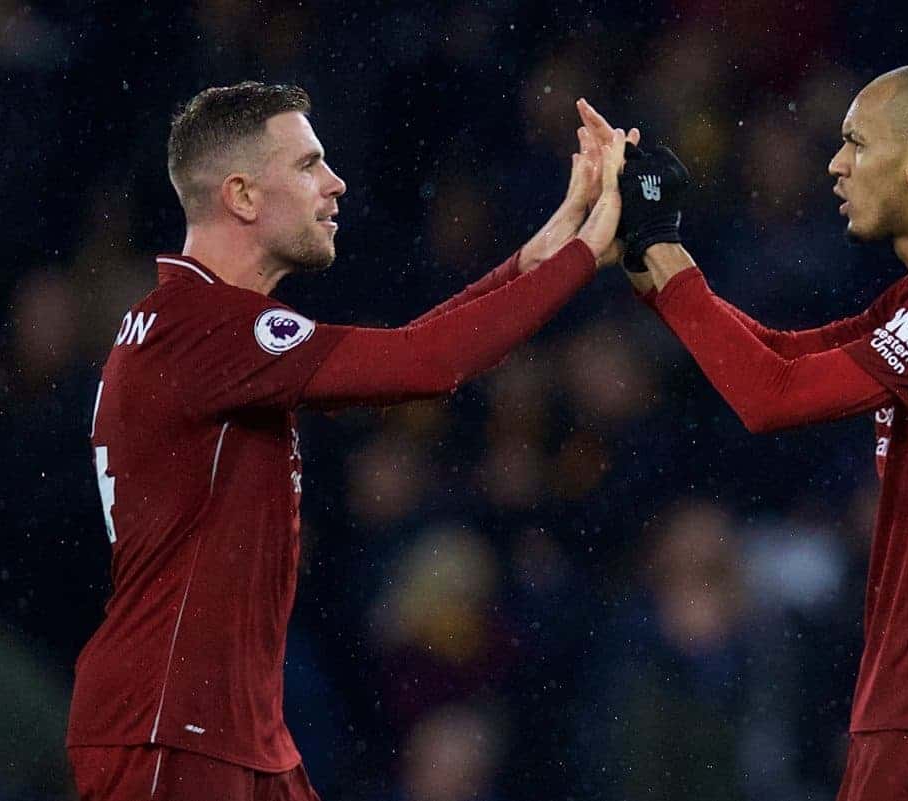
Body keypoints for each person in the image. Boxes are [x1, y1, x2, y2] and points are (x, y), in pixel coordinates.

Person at [66, 81, 633, 801]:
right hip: (171, 730)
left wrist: (552, 241)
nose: (335, 184)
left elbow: (409, 351)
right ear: (241, 195)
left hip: (229, 730)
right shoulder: (201, 328)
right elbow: (425, 364)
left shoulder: (197, 327)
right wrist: (587, 249)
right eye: (308, 164)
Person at [579, 63, 908, 800]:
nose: (834, 163)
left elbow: (770, 397)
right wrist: (652, 252)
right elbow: (780, 355)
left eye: (854, 142)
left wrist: (661, 246)